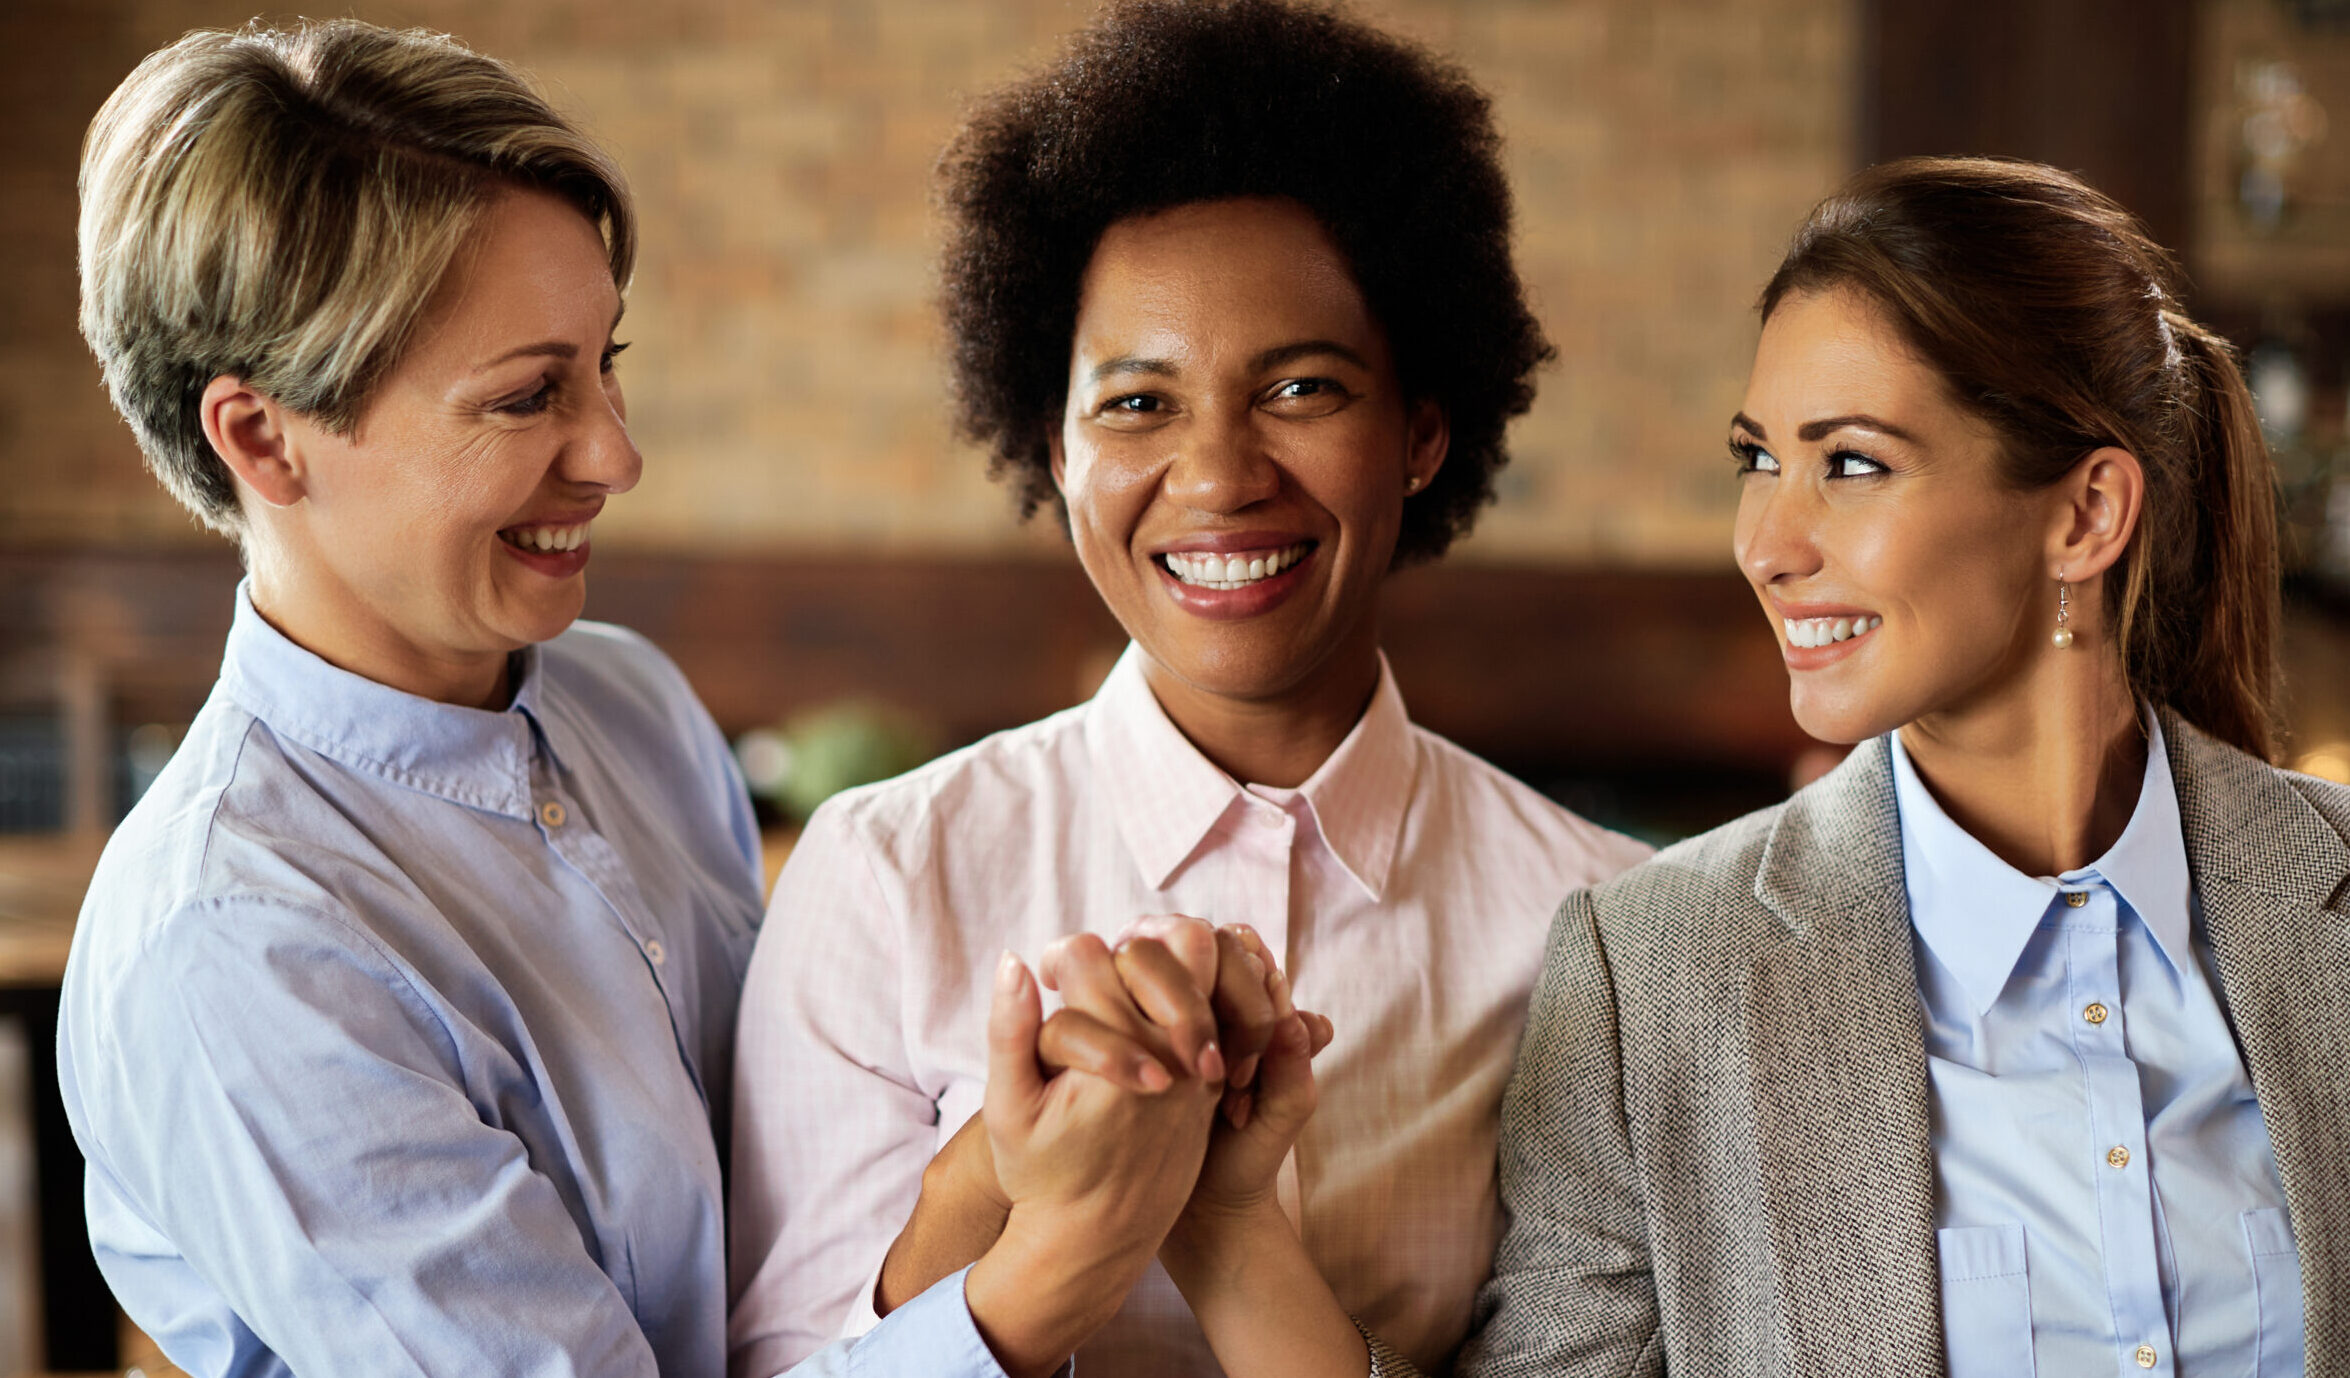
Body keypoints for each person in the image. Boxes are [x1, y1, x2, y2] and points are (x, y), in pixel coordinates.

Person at [59, 21, 1260, 1376]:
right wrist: (1049, 1275)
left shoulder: (621, 698)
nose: (617, 454)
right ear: (262, 436)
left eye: (603, 363)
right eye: (527, 399)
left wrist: (1014, 1131)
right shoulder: (238, 949)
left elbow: (786, 1227)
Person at [1150, 156, 2343, 1376]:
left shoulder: (2328, 903)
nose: (1765, 545)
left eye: (1853, 464)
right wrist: (1233, 1227)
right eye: (1758, 459)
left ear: (2085, 514)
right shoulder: (1653, 977)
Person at [724, 2, 1649, 1374]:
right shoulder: (882, 871)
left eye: (1300, 387)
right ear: (1053, 445)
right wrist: (1001, 1164)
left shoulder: (1607, 926)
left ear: (1421, 433)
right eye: (1137, 403)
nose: (1217, 476)